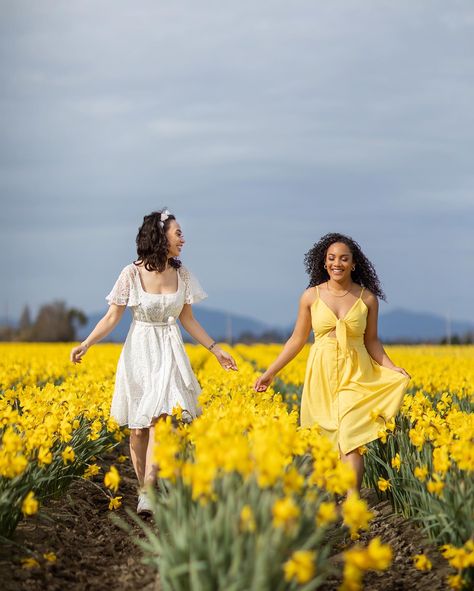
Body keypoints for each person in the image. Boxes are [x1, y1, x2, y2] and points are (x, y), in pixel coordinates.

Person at [70, 209, 237, 515]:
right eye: (178, 233)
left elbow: (188, 319)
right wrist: (86, 344)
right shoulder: (130, 274)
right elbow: (111, 317)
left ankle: (148, 491)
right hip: (140, 351)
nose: (183, 239)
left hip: (170, 349)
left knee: (160, 419)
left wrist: (216, 349)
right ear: (162, 236)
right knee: (138, 430)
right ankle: (146, 490)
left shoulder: (183, 274)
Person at [254, 232, 410, 493]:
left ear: (353, 263)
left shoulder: (367, 299)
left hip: (357, 373)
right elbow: (296, 339)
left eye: (344, 259)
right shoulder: (311, 297)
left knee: (350, 436)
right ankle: (330, 499)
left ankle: (352, 501)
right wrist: (271, 372)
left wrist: (392, 368)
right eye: (332, 258)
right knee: (324, 439)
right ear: (324, 263)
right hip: (322, 373)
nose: (337, 263)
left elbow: (372, 341)